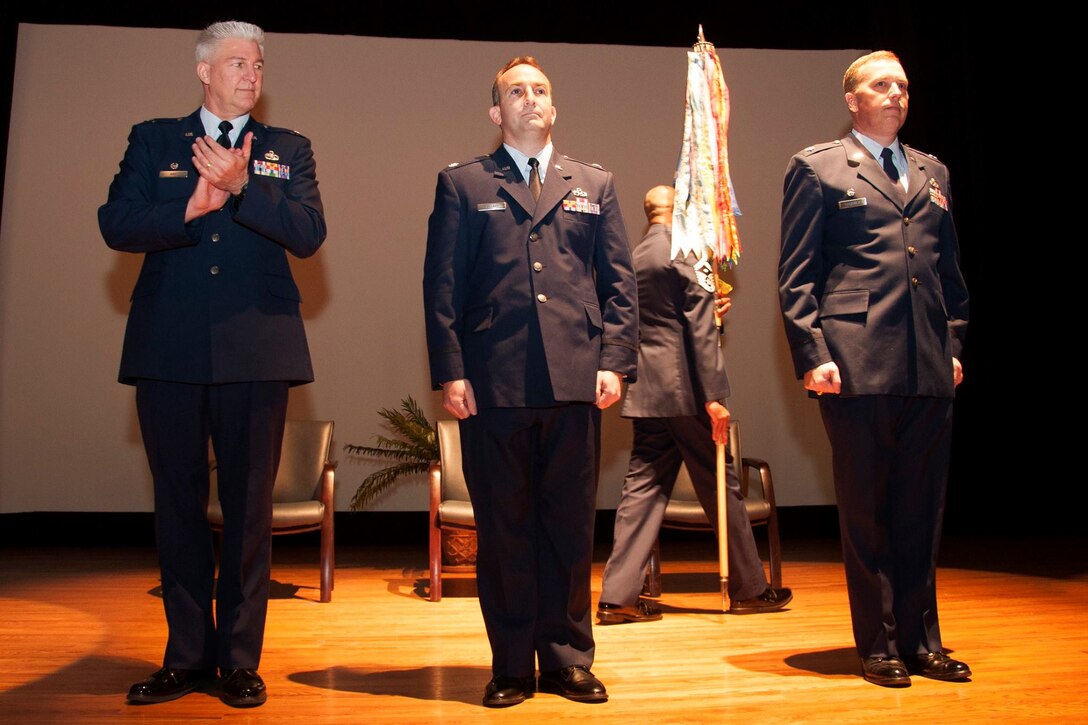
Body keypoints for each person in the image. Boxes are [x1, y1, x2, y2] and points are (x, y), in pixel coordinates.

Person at [99, 20, 326, 707]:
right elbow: (116, 221)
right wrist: (190, 206)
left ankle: (237, 660)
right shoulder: (153, 139)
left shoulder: (288, 149)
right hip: (168, 347)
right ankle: (185, 655)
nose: (251, 74)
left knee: (250, 510)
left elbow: (309, 233)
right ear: (204, 70)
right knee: (177, 506)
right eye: (236, 62)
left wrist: (243, 188)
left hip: (258, 349)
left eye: (257, 64)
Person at [422, 56, 637, 707]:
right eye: (516, 91)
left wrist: (614, 360)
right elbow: (442, 287)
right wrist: (451, 369)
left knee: (570, 530)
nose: (530, 98)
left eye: (540, 90)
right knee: (507, 530)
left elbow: (619, 283)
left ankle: (569, 657)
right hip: (495, 384)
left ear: (554, 106)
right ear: (497, 111)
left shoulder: (593, 182)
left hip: (575, 380)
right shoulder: (463, 184)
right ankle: (513, 664)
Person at [778, 50, 970, 687]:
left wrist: (955, 346)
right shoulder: (818, 167)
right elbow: (797, 277)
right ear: (852, 99)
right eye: (881, 85)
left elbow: (950, 276)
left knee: (922, 510)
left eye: (904, 86)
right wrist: (814, 355)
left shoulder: (931, 170)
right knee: (868, 512)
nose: (896, 94)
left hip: (927, 365)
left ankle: (922, 642)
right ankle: (880, 644)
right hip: (855, 362)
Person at [598, 185, 792, 623]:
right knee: (721, 486)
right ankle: (749, 588)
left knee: (642, 491)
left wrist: (709, 312)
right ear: (679, 209)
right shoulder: (688, 248)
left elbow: (658, 321)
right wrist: (715, 397)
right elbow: (699, 330)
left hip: (647, 391)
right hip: (687, 391)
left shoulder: (634, 257)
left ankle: (617, 597)